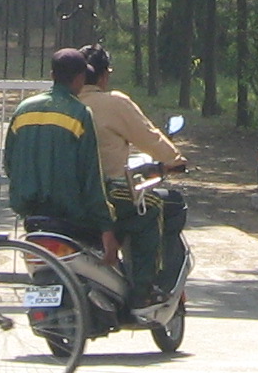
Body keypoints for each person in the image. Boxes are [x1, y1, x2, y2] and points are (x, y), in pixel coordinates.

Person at [76, 44, 186, 300]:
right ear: (104, 75)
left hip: (66, 196)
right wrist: (175, 160)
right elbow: (149, 137)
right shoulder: (114, 103)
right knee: (157, 207)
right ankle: (145, 289)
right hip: (108, 195)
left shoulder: (62, 105)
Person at [3, 46, 117, 262]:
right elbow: (91, 177)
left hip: (32, 216)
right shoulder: (80, 113)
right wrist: (106, 227)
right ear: (81, 78)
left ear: (52, 75)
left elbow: (9, 163)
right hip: (71, 218)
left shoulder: (23, 109)